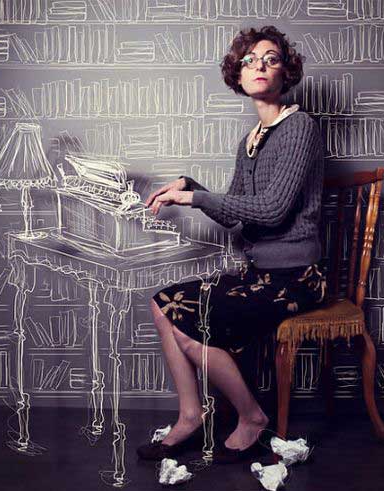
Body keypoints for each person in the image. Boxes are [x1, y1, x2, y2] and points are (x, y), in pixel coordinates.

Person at [137, 25, 327, 464]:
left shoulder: (299, 127)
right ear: (237, 75)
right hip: (260, 273)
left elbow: (273, 210)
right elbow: (236, 215)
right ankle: (190, 415)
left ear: (285, 72)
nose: (259, 65)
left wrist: (195, 198)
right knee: (161, 304)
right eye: (249, 60)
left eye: (271, 58)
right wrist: (190, 186)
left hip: (297, 276)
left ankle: (252, 415)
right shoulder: (250, 142)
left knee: (188, 323)